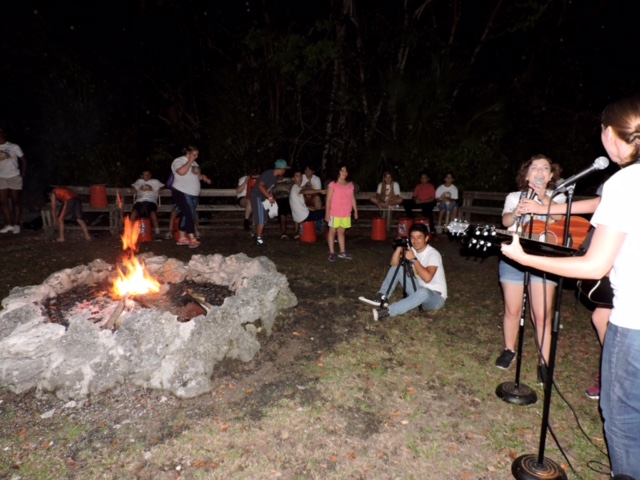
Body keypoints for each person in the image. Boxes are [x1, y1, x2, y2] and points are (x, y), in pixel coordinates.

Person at [501, 96, 640, 479]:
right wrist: (550, 208)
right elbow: (595, 203)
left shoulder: (626, 181)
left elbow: (595, 263)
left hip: (635, 322)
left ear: (610, 135)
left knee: (625, 420)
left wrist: (526, 258)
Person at [520, 185, 608, 399]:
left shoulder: (630, 176)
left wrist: (542, 208)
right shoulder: (618, 177)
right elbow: (598, 203)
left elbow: (597, 205)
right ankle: (611, 375)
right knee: (600, 318)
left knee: (608, 320)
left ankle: (616, 377)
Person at [495, 155, 566, 384]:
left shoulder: (560, 197)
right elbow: (505, 222)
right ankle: (509, 350)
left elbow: (558, 217)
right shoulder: (514, 197)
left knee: (541, 314)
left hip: (544, 260)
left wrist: (542, 196)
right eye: (535, 167)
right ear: (526, 175)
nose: (540, 171)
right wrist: (516, 212)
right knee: (512, 309)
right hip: (514, 256)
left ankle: (544, 362)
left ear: (551, 175)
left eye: (545, 168)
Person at [359, 223, 446, 321]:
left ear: (426, 238)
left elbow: (427, 278)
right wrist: (399, 248)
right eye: (412, 237)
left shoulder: (433, 254)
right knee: (398, 268)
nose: (415, 241)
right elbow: (393, 264)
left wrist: (414, 259)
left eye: (419, 237)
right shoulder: (412, 250)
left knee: (424, 292)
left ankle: (388, 312)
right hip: (418, 290)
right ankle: (382, 296)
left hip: (435, 298)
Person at [170, 145, 211, 248]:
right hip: (182, 191)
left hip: (193, 193)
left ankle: (182, 238)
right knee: (189, 214)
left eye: (197, 155)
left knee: (187, 214)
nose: (196, 157)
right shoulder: (179, 161)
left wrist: (203, 177)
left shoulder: (194, 163)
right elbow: (181, 172)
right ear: (188, 153)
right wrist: (189, 161)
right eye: (194, 154)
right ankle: (192, 238)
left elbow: (195, 175)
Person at [250, 159, 290, 246]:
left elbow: (269, 189)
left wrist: (271, 198)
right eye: (284, 169)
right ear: (281, 169)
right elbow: (260, 186)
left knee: (264, 217)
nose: (284, 171)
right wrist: (269, 197)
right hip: (257, 197)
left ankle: (259, 236)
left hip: (264, 198)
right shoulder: (268, 174)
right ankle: (258, 239)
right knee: (261, 218)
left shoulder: (274, 177)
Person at [325, 165, 358, 261]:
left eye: (346, 171)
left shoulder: (350, 185)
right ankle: (332, 253)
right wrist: (327, 213)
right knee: (332, 232)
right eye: (342, 170)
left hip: (346, 213)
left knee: (341, 232)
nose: (344, 173)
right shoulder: (333, 184)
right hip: (334, 213)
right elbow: (328, 200)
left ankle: (342, 252)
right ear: (338, 172)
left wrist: (355, 211)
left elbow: (352, 198)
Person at [0, 128, 27, 234]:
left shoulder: (13, 146)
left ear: (4, 134)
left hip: (14, 176)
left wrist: (23, 173)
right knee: (3, 202)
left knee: (16, 200)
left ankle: (16, 224)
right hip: (1, 177)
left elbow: (23, 160)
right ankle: (10, 224)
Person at [289, 171, 326, 237]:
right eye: (297, 176)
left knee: (319, 211)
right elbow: (305, 191)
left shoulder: (294, 189)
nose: (300, 178)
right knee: (328, 212)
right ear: (293, 179)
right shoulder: (296, 187)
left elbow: (301, 205)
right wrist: (320, 190)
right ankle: (331, 233)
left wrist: (312, 209)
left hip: (299, 218)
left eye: (300, 176)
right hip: (304, 217)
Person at [130, 170, 164, 241]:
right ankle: (130, 233)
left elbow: (162, 186)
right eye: (145, 175)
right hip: (139, 201)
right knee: (134, 213)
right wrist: (133, 189)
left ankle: (157, 233)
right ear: (142, 176)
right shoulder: (139, 181)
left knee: (152, 213)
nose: (147, 176)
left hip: (151, 201)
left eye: (148, 175)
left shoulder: (155, 181)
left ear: (150, 175)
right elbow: (133, 187)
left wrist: (161, 189)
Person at [272, 172, 294, 240]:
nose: (280, 176)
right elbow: (273, 190)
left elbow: (290, 188)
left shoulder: (288, 180)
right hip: (279, 199)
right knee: (282, 211)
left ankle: (297, 231)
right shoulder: (273, 180)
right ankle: (284, 233)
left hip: (289, 197)